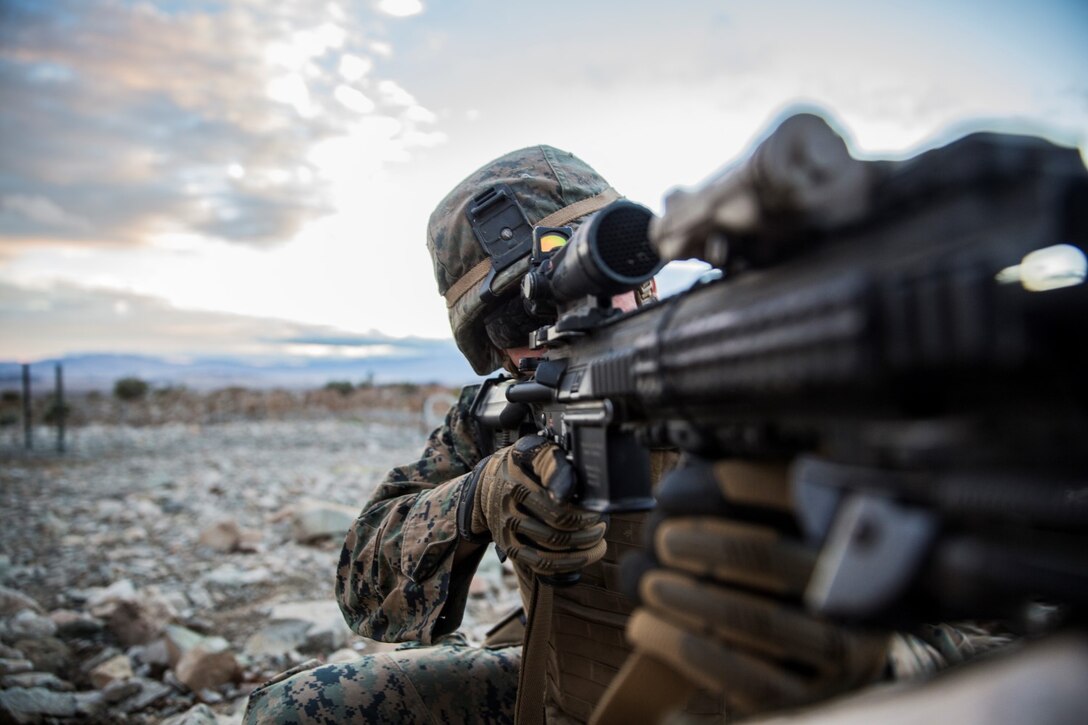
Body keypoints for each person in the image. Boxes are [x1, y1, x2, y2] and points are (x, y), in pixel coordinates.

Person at [242, 145, 999, 724]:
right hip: (570, 693)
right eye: (516, 320)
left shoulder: (765, 367)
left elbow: (1003, 626)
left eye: (603, 282)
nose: (558, 325)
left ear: (643, 270)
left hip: (790, 700)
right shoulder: (500, 415)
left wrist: (881, 661)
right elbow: (363, 585)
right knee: (303, 710)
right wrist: (479, 499)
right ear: (494, 350)